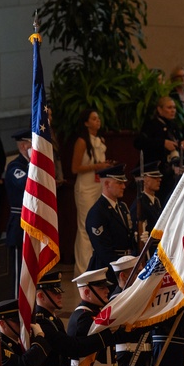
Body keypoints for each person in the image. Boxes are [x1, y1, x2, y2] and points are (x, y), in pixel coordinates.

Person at [71, 109, 111, 274]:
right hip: (85, 186)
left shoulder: (99, 139)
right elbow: (75, 168)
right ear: (86, 122)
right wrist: (97, 166)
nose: (98, 121)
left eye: (98, 118)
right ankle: (82, 269)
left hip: (97, 185)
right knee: (84, 227)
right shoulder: (82, 141)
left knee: (96, 224)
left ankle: (95, 266)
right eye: (94, 119)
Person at [135, 97, 184, 201]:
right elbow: (138, 142)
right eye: (169, 107)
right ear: (159, 110)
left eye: (174, 107)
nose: (173, 110)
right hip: (156, 171)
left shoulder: (174, 125)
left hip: (172, 173)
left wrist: (182, 144)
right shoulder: (151, 124)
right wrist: (162, 143)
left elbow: (177, 141)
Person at [85, 163, 136, 271]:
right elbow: (103, 249)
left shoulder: (122, 207)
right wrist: (121, 268)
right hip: (108, 269)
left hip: (125, 264)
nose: (124, 186)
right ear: (107, 184)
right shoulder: (98, 212)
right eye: (119, 183)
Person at [4, 129, 32, 291]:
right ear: (23, 146)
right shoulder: (15, 167)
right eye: (32, 144)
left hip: (33, 223)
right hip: (20, 223)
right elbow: (26, 185)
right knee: (19, 274)